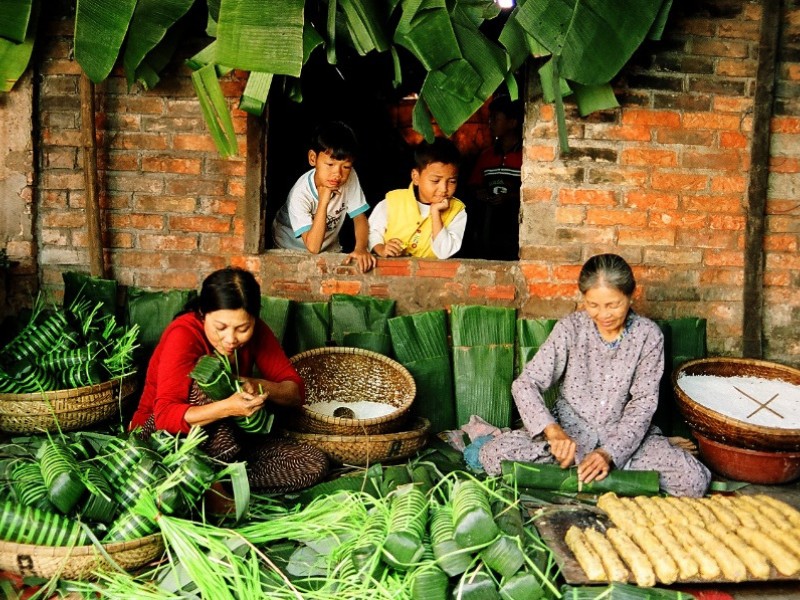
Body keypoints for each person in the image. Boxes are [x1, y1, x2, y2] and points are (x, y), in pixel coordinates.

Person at [477, 254, 712, 497]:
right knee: (493, 456)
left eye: (613, 305)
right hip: (570, 435)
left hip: (623, 437)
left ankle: (618, 461)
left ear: (631, 296)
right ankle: (607, 472)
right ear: (584, 299)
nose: (604, 315)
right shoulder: (570, 329)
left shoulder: (648, 336)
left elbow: (643, 404)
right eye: (593, 305)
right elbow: (526, 384)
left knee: (693, 481)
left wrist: (609, 453)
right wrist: (553, 432)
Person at [129, 267, 328, 492]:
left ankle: (212, 481)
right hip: (163, 439)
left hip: (228, 442)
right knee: (207, 380)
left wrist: (254, 384)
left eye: (243, 328)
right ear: (203, 314)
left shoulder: (258, 332)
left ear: (253, 319)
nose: (231, 339)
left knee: (313, 462)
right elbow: (165, 416)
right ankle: (195, 474)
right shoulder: (184, 334)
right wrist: (228, 407)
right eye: (220, 328)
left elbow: (295, 392)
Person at [272, 121, 376, 273]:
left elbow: (359, 217)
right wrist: (323, 201)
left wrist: (361, 248)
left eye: (346, 166)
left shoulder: (349, 177)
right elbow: (313, 247)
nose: (338, 174)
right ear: (313, 158)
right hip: (290, 246)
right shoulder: (300, 194)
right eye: (330, 164)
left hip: (329, 245)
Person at [368, 137, 466, 259]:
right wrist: (381, 248)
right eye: (436, 180)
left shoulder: (458, 211)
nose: (444, 189)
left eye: (452, 181)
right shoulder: (393, 201)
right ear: (416, 177)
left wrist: (435, 213)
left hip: (431, 277)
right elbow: (371, 232)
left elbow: (444, 252)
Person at [465, 96, 523, 261]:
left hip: (515, 225)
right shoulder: (486, 156)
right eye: (490, 118)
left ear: (512, 123)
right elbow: (473, 186)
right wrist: (480, 193)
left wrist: (510, 197)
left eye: (495, 118)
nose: (490, 123)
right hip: (488, 225)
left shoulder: (526, 156)